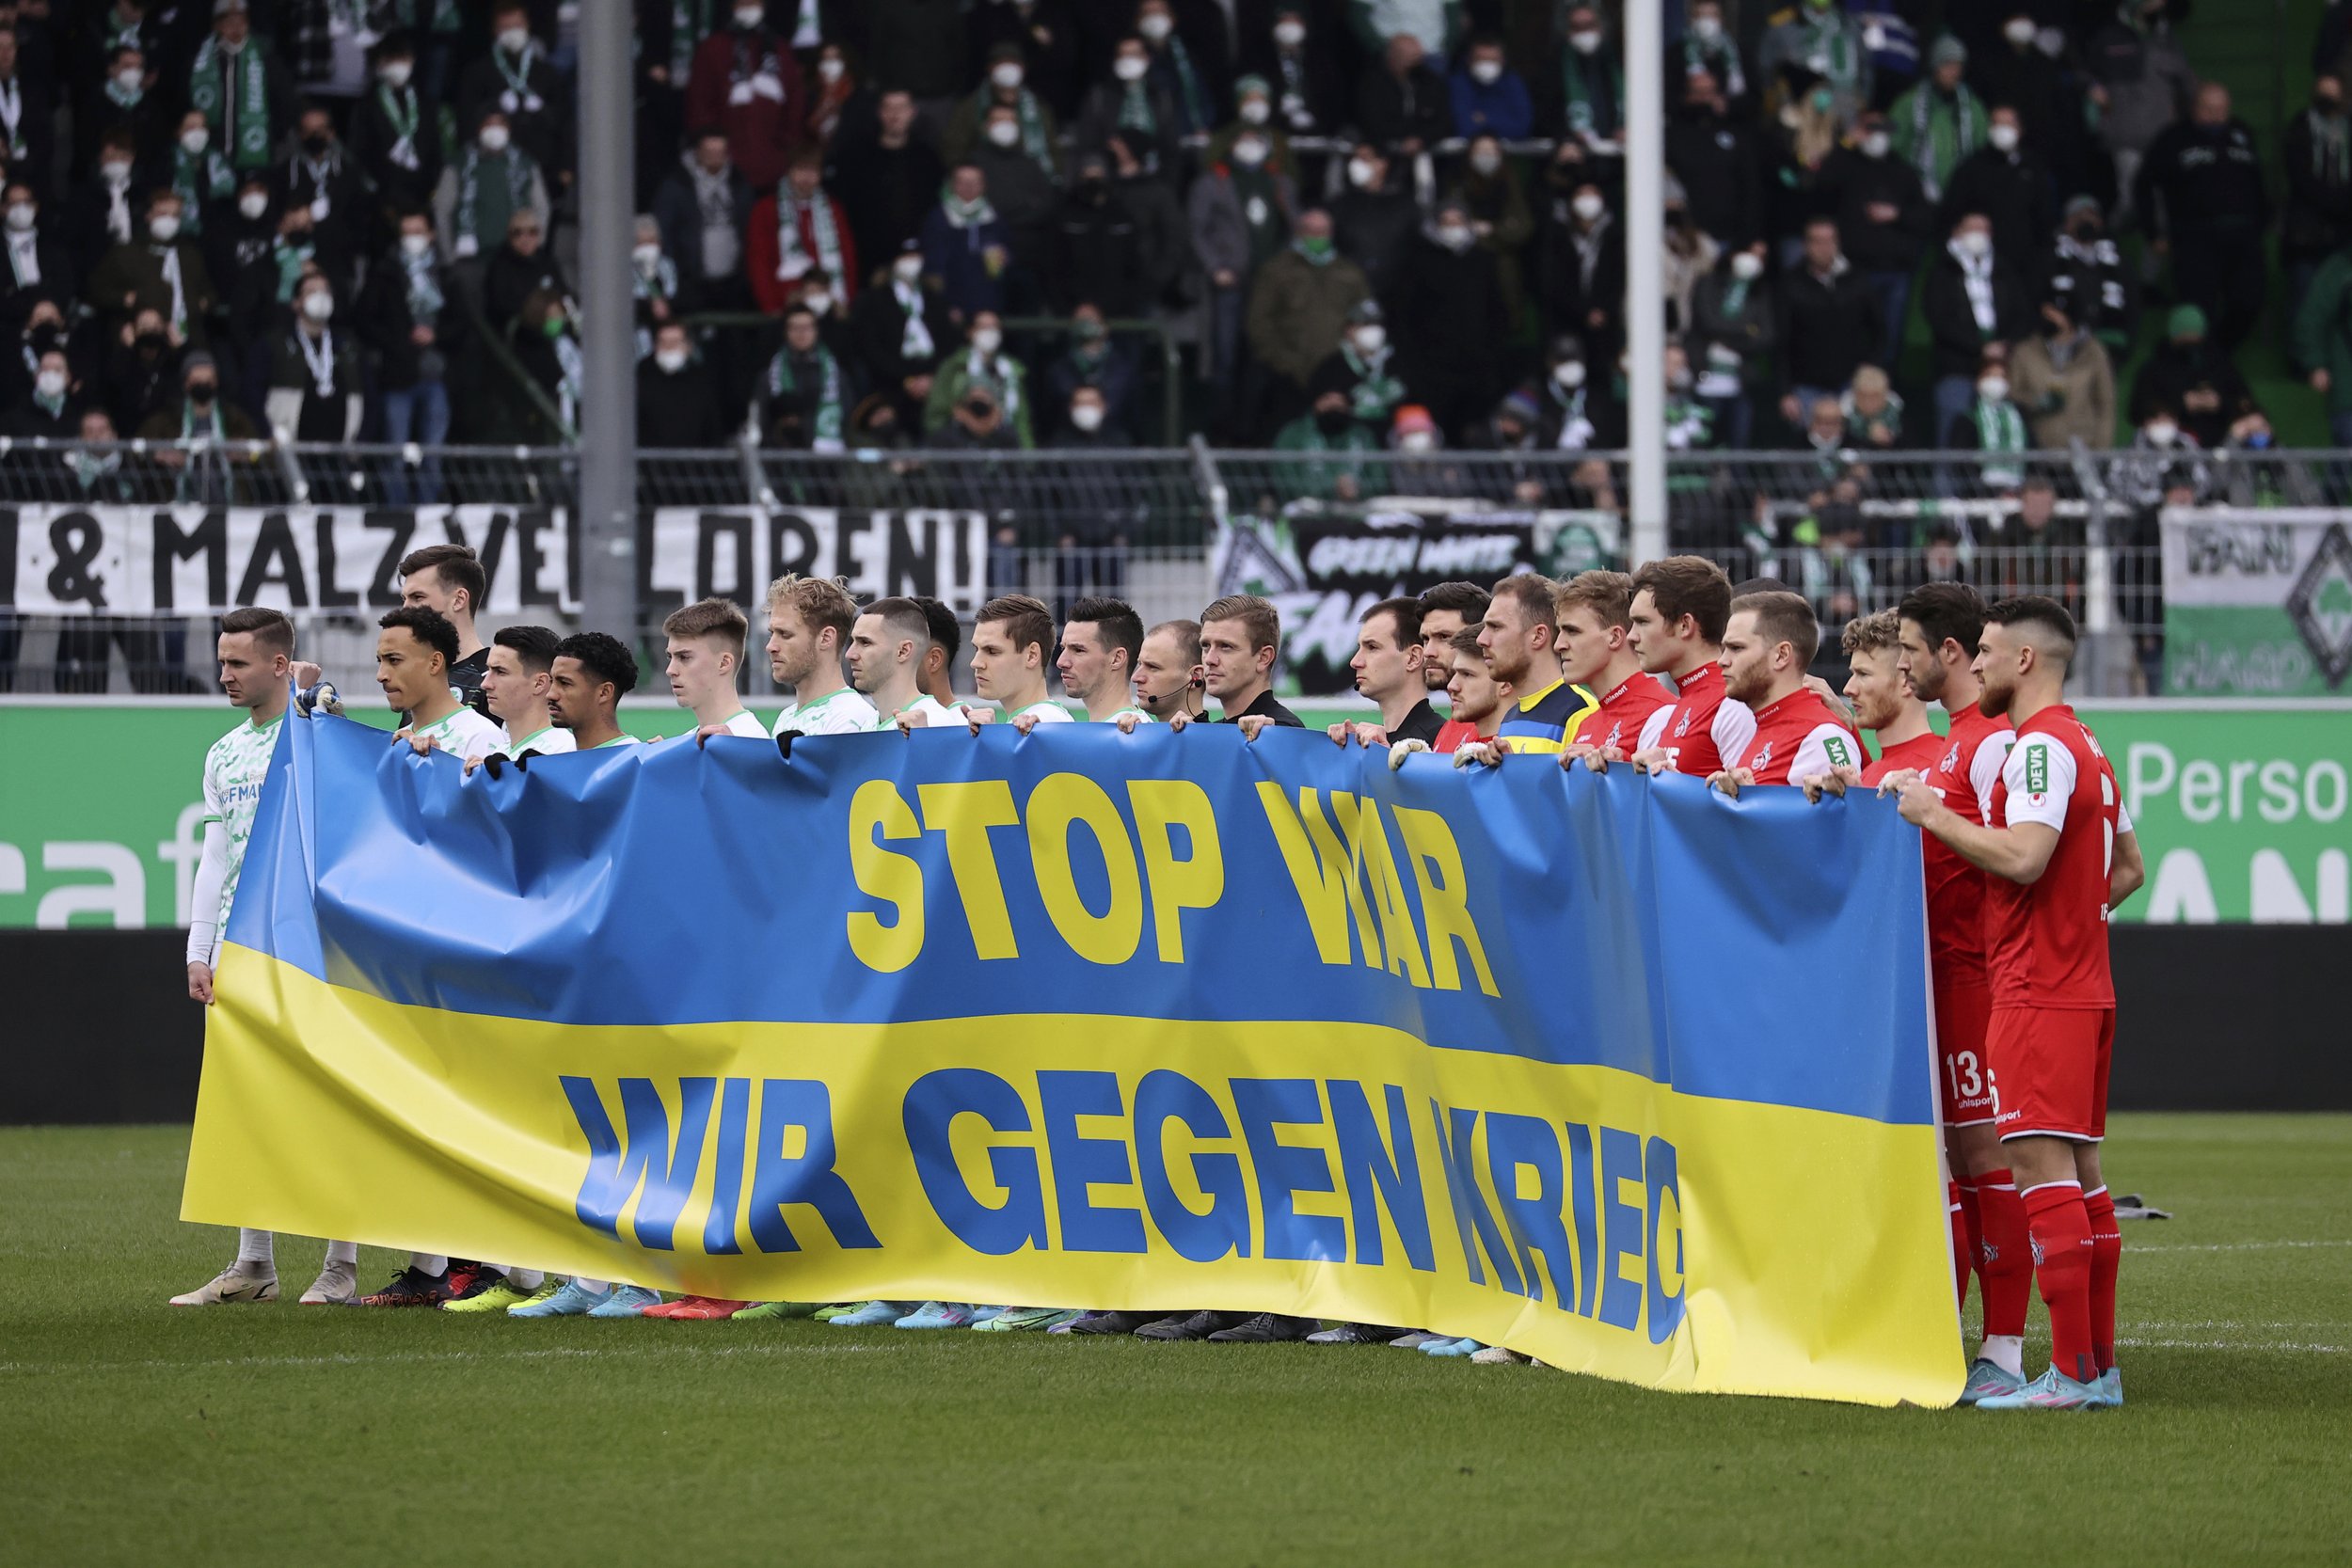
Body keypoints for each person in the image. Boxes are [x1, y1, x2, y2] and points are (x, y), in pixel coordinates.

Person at [1889, 595, 2145, 1410]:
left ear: (2026, 660)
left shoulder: (2037, 749)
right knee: (2084, 1178)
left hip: (2035, 988)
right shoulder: (2089, 745)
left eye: (1992, 652)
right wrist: (2076, 923)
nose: (1983, 665)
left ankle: (2069, 1375)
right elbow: (2130, 863)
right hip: (2083, 985)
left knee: (2037, 1171)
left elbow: (2027, 858)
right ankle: (2093, 1369)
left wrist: (1932, 814)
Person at [170, 607, 361, 1309]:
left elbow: (341, 732)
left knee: (332, 1101)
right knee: (246, 1102)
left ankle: (341, 1264)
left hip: (314, 944)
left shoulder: (315, 729)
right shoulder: (222, 753)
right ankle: (255, 1263)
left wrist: (322, 700)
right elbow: (216, 855)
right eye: (222, 661)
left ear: (281, 665)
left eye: (239, 662)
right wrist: (200, 947)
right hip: (241, 948)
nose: (224, 673)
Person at [1882, 582, 2028, 1395]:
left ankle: (2003, 1350)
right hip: (1931, 978)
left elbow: (2019, 854)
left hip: (1977, 977)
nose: (1901, 666)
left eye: (1908, 648)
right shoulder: (1948, 743)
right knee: (1948, 1166)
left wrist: (1932, 817)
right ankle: (1945, 1333)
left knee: (1985, 1158)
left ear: (1947, 653)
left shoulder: (1994, 743)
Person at [2137, 82, 2267, 352]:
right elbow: (2144, 185)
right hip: (2194, 236)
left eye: (2222, 109)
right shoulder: (2173, 138)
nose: (2217, 116)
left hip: (2242, 236)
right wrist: (2154, 232)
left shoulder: (2241, 132)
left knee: (2249, 300)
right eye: (2209, 109)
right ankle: (2198, 362)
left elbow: (2257, 183)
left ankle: (2218, 352)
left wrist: (2261, 223)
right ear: (2195, 108)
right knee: (2198, 309)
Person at [1614, 555, 1755, 779]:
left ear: (1684, 625)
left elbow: (1747, 805)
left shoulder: (1733, 705)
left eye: (1643, 622)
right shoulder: (1676, 710)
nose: (1631, 636)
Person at [358, 209, 460, 499]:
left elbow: (461, 322)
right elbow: (365, 318)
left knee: (433, 453)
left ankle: (428, 512)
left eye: (418, 231)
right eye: (407, 232)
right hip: (397, 375)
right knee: (396, 451)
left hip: (436, 375)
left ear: (431, 235)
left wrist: (436, 336)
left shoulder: (445, 273)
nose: (412, 238)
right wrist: (399, 341)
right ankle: (398, 512)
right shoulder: (384, 272)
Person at [1455, 574, 1598, 763]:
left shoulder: (1580, 712)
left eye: (1495, 627)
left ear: (1538, 636)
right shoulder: (1510, 718)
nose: (1481, 639)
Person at [1922, 213, 2027, 446]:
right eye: (1973, 228)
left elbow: (2021, 314)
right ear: (1957, 232)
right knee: (1951, 440)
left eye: (1985, 230)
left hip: (2001, 369)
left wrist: (2004, 344)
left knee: (2000, 440)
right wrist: (1980, 346)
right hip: (1956, 368)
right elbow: (1938, 318)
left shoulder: (2003, 270)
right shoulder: (1943, 271)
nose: (1979, 235)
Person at [1553, 571, 1674, 766]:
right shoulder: (1587, 723)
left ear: (1615, 637)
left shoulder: (1663, 713)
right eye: (1560, 631)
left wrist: (1620, 767)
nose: (1558, 645)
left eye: (1572, 631)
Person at [684, 1, 803, 193]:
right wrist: (711, 144)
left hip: (774, 168)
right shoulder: (713, 49)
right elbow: (699, 104)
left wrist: (786, 144)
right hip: (724, 169)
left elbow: (794, 102)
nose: (748, 6)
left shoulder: (780, 50)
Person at [457, 5, 570, 197]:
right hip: (495, 166)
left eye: (517, 25)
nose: (512, 33)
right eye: (506, 27)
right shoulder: (477, 74)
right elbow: (466, 123)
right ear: (494, 31)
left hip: (544, 166)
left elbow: (565, 121)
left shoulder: (547, 73)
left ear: (527, 26)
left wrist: (566, 166)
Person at [1778, 218, 1876, 434]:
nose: (1824, 248)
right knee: (1809, 455)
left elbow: (1876, 330)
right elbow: (1782, 341)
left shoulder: (1857, 280)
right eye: (1817, 241)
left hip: (1850, 384)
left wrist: (1868, 373)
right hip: (1806, 386)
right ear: (1806, 245)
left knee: (1853, 450)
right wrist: (1786, 392)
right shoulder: (1791, 284)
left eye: (1830, 240)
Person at [87, 188, 215, 351]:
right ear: (148, 215)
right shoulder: (126, 253)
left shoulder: (190, 254)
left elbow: (209, 291)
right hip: (138, 343)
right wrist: (124, 299)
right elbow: (95, 290)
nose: (169, 220)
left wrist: (204, 302)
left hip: (188, 341)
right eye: (163, 213)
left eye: (175, 215)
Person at [763, 573, 879, 739]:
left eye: (785, 634)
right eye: (772, 633)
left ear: (826, 638)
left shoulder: (852, 718)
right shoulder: (786, 716)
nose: (770, 646)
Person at [187, 0, 293, 178]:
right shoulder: (200, 61)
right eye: (229, 23)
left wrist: (277, 137)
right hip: (210, 155)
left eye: (241, 22)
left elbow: (284, 100)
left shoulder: (264, 56)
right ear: (217, 26)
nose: (236, 29)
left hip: (255, 151)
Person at [436, 109, 551, 268]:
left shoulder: (526, 164)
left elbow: (541, 208)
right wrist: (449, 256)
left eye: (500, 124)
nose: (495, 130)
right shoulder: (458, 164)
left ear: (509, 129)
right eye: (489, 124)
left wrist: (535, 249)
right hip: (471, 260)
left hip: (517, 259)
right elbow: (442, 210)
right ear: (479, 129)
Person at [751, 145, 857, 315]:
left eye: (813, 171)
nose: (806, 178)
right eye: (800, 170)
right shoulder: (767, 209)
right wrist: (770, 305)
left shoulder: (833, 209)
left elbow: (848, 259)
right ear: (788, 172)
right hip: (786, 306)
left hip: (829, 303)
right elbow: (759, 261)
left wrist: (846, 300)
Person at [1327, 597, 1441, 751]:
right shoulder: (1367, 741)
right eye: (1359, 647)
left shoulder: (1441, 741)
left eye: (1372, 647)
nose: (1355, 662)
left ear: (1413, 658)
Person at [394, 543, 492, 720]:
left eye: (417, 597)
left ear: (458, 600)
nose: (405, 608)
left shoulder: (493, 679)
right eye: (404, 598)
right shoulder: (420, 678)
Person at [1178, 594, 1301, 732]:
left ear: (1263, 658)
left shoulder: (1286, 730)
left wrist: (1272, 741)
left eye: (1225, 646)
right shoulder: (1210, 732)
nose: (1209, 659)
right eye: (1206, 646)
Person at [2008, 291, 2114, 452]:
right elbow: (2012, 394)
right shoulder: (2025, 351)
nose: (2047, 318)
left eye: (2054, 313)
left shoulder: (2093, 352)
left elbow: (2105, 403)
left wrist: (2100, 449)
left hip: (2083, 447)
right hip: (2037, 448)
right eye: (2045, 312)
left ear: (2069, 317)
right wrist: (2037, 402)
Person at [1889, 36, 1987, 205]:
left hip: (1961, 198)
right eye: (1948, 65)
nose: (1954, 72)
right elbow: (1893, 147)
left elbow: (1982, 148)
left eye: (1958, 66)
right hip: (1916, 196)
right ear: (1935, 67)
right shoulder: (1909, 103)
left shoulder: (1972, 107)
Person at [265, 273, 360, 443]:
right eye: (311, 291)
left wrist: (360, 439)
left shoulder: (348, 343)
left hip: (340, 448)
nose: (320, 297)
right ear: (296, 302)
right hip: (290, 447)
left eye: (325, 291)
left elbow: (368, 394)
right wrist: (268, 433)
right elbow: (253, 390)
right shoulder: (276, 342)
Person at [850, 595, 963, 730]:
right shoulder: (869, 724)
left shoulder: (934, 722)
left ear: (903, 651)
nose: (850, 654)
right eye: (853, 642)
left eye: (865, 643)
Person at [664, 596, 764, 745]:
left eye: (684, 657)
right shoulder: (683, 743)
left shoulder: (751, 741)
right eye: (669, 657)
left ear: (724, 663)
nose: (670, 670)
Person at [473, 623, 575, 765]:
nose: (485, 684)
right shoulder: (494, 755)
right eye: (488, 670)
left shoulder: (565, 752)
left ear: (539, 683)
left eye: (500, 672)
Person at [965, 593, 1071, 728]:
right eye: (976, 649)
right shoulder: (1037, 722)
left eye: (992, 651)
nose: (975, 663)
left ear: (1032, 655)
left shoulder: (1045, 722)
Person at [757, 302, 850, 451]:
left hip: (828, 461)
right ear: (785, 332)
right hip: (781, 459)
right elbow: (761, 420)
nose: (801, 333)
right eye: (795, 328)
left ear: (816, 330)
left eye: (807, 327)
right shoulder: (768, 376)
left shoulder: (836, 373)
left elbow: (847, 416)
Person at [1055, 597, 1152, 725]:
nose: (1061, 662)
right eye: (1063, 648)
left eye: (1078, 650)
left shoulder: (1137, 733)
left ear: (1117, 659)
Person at [638, 320, 727, 447]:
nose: (669, 349)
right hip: (650, 464)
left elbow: (712, 428)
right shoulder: (643, 382)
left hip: (694, 463)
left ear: (688, 346)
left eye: (674, 343)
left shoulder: (701, 384)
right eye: (664, 343)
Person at [1127, 617, 1207, 724]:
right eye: (1140, 664)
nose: (1136, 678)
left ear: (1195, 676)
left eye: (1152, 667)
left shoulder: (1219, 739)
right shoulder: (1138, 733)